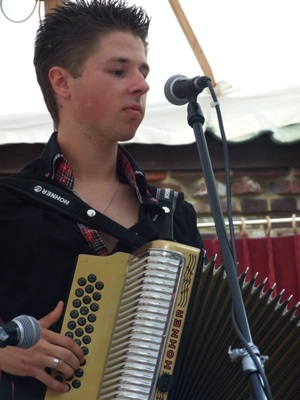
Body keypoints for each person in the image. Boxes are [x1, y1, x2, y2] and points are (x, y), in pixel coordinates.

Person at [0, 0, 203, 398]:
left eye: (143, 70)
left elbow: (204, 336)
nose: (142, 84)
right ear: (62, 83)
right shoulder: (9, 205)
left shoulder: (174, 217)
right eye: (118, 70)